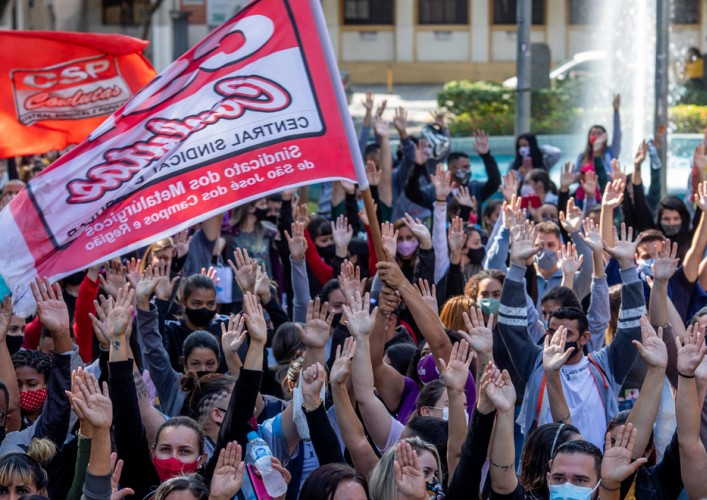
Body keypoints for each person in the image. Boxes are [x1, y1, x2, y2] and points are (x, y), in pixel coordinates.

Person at [574, 94, 622, 193]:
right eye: (593, 133)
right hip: (584, 195)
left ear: (605, 137)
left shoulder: (610, 152)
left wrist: (616, 112)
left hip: (605, 193)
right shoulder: (582, 156)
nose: (596, 136)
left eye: (599, 134)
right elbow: (575, 176)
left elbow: (617, 134)